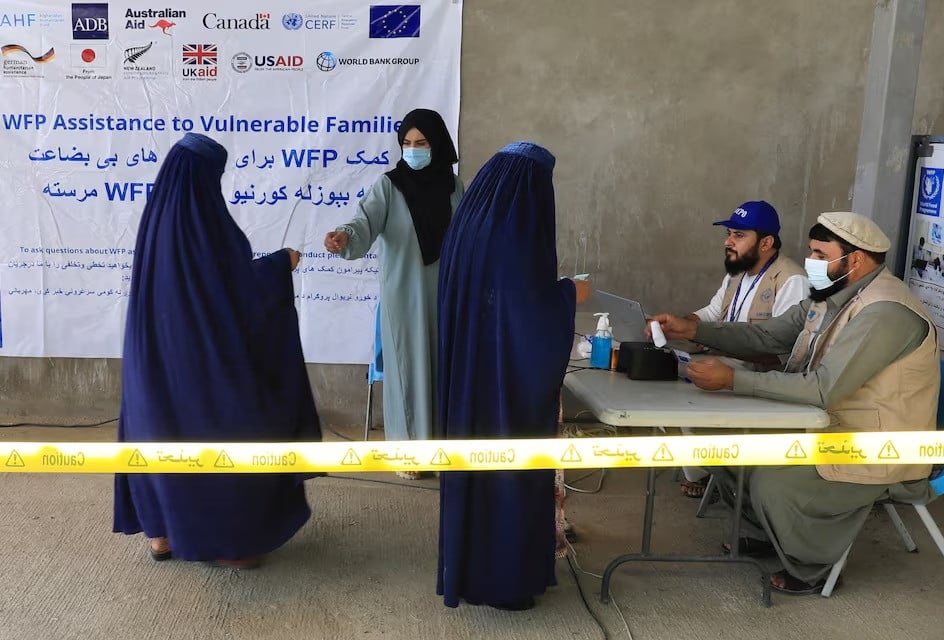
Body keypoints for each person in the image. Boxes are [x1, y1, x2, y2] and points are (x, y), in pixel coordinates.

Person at [652, 211, 940, 595]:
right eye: (811, 252)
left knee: (774, 480)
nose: (811, 263)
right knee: (725, 445)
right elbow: (766, 337)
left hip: (878, 446)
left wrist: (734, 379)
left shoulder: (886, 312)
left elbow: (823, 388)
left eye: (821, 255)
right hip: (828, 424)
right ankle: (767, 532)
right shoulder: (831, 296)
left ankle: (812, 566)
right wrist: (694, 329)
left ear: (855, 260)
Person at [113, 133, 322, 567]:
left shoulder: (159, 218)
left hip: (152, 361)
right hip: (198, 365)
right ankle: (232, 542)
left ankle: (162, 534)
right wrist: (280, 264)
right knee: (229, 428)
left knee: (157, 431)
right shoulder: (207, 225)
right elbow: (236, 295)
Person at [436, 141, 589, 610]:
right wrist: (570, 295)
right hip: (505, 386)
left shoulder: (470, 221)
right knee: (508, 471)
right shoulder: (517, 232)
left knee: (474, 475)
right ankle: (505, 581)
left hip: (470, 377)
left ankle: (472, 569)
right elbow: (528, 312)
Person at [323, 109, 463, 480]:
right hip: (403, 298)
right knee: (406, 372)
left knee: (442, 368)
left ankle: (441, 449)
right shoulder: (389, 186)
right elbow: (363, 223)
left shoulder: (454, 187)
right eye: (406, 144)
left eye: (421, 143)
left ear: (438, 145)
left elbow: (468, 236)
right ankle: (407, 454)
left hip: (445, 296)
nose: (412, 151)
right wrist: (344, 237)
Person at [659, 200, 807, 498]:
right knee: (659, 377)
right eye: (729, 233)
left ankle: (712, 474)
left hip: (760, 374)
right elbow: (713, 312)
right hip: (724, 359)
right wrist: (678, 324)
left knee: (685, 396)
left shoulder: (792, 280)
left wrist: (715, 341)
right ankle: (704, 469)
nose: (728, 241)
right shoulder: (737, 272)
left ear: (766, 242)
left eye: (739, 235)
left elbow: (783, 352)